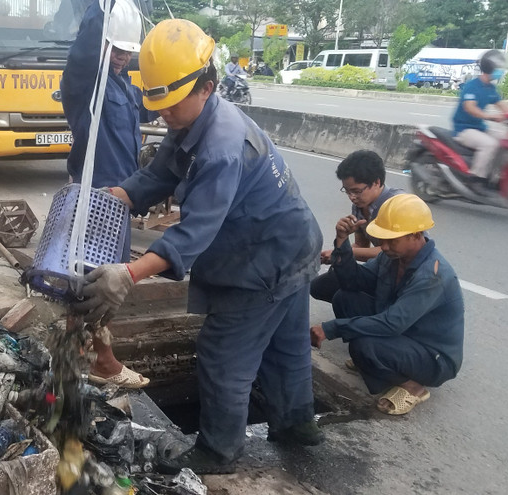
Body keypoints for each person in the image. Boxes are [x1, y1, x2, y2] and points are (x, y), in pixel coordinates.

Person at [74, 19, 324, 473]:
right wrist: (118, 197)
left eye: (170, 105)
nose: (163, 115)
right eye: (159, 105)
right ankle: (297, 425)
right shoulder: (190, 120)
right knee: (287, 348)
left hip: (266, 260)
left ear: (207, 86)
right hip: (291, 243)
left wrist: (127, 274)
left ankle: (218, 451)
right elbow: (159, 174)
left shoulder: (222, 147)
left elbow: (193, 234)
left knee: (223, 355)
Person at [310, 194, 464, 416]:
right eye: (383, 239)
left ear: (416, 235)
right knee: (345, 297)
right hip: (405, 333)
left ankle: (413, 386)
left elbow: (392, 324)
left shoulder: (432, 275)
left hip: (433, 356)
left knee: (364, 346)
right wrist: (342, 242)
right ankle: (377, 361)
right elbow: (355, 281)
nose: (384, 245)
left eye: (392, 240)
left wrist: (330, 328)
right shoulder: (392, 256)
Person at [62, 0, 149, 389]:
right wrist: (104, 12)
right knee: (95, 279)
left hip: (120, 200)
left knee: (91, 278)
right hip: (96, 200)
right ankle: (103, 359)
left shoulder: (127, 89)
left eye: (128, 51)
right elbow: (85, 53)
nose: (122, 58)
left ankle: (76, 350)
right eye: (116, 49)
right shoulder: (86, 84)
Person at [310, 150, 403, 303]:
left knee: (345, 299)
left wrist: (340, 253)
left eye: (356, 191)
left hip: (400, 274)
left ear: (377, 182)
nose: (352, 197)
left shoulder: (396, 205)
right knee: (320, 286)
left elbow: (390, 250)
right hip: (380, 269)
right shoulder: (360, 205)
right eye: (347, 191)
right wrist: (339, 253)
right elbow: (361, 245)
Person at [452, 49, 508, 185]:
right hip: (463, 130)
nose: (501, 71)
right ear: (490, 67)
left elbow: (503, 107)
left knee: (507, 140)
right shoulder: (472, 86)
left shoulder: (490, 88)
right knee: (490, 144)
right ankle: (476, 179)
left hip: (480, 128)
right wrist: (490, 116)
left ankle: (496, 175)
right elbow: (470, 108)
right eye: (499, 68)